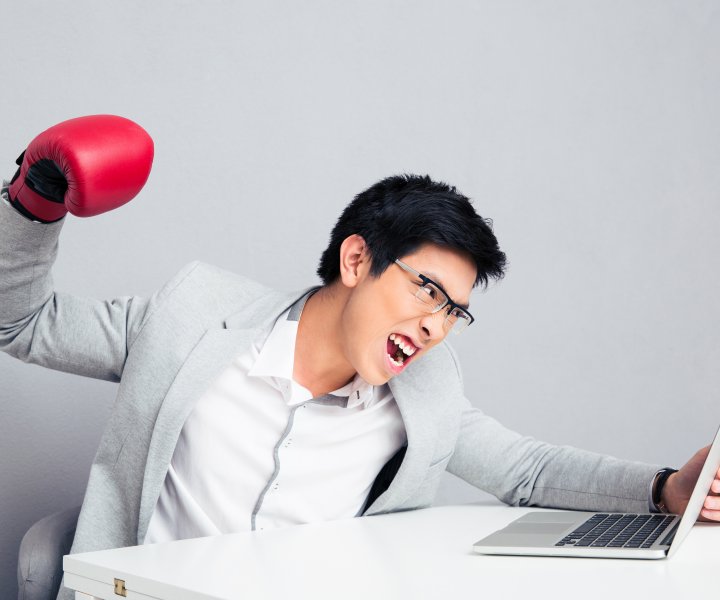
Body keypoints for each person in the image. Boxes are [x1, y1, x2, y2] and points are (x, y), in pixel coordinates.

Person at [2, 116, 718, 600]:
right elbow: (22, 323)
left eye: (455, 311)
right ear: (356, 259)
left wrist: (663, 490)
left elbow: (526, 469)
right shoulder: (193, 317)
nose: (436, 327)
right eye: (427, 290)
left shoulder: (424, 396)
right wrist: (32, 204)